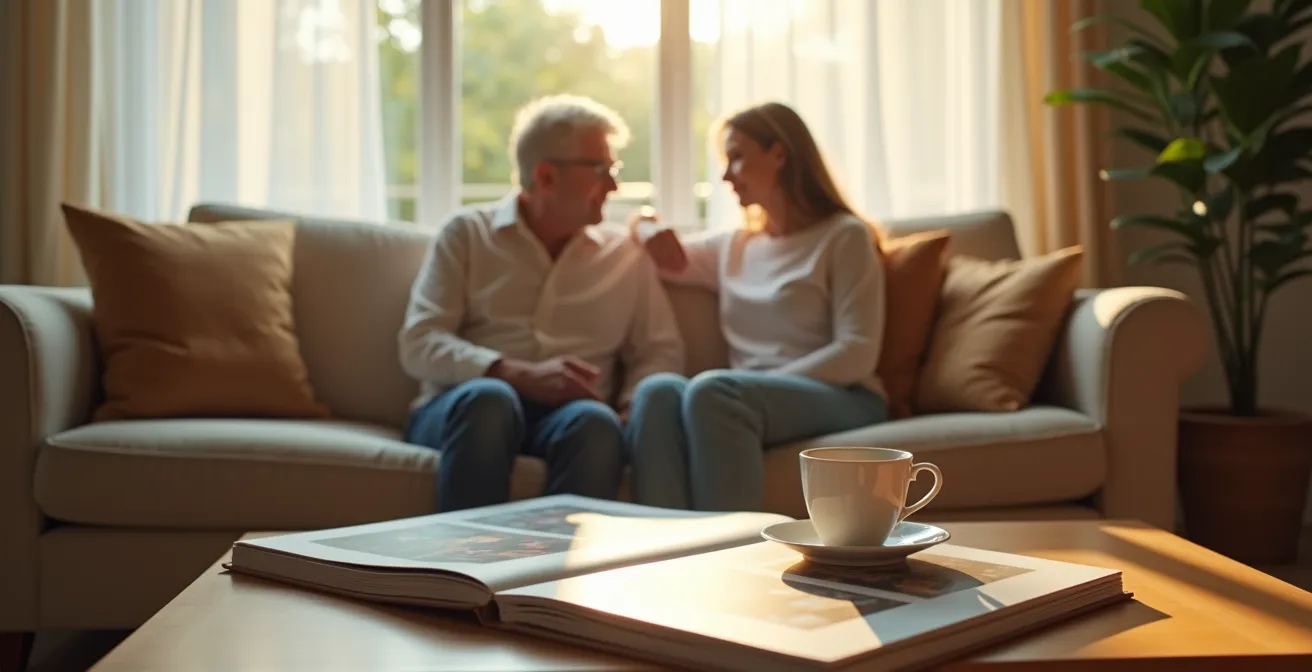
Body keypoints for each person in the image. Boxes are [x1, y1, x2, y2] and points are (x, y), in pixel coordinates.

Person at [399, 94, 685, 512]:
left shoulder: (624, 255)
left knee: (596, 423)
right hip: (463, 410)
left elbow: (659, 350)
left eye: (614, 170)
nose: (614, 186)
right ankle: (465, 569)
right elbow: (419, 342)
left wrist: (628, 405)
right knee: (489, 400)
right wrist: (511, 371)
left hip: (568, 419)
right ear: (547, 176)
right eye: (601, 170)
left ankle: (552, 575)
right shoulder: (467, 235)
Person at [625, 101, 889, 512]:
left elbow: (856, 353)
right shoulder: (733, 246)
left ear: (779, 154)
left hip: (842, 395)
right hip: (747, 397)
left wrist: (760, 387)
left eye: (737, 157)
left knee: (715, 390)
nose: (726, 175)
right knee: (656, 392)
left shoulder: (843, 236)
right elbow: (660, 258)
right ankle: (665, 553)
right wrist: (644, 221)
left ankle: (732, 555)